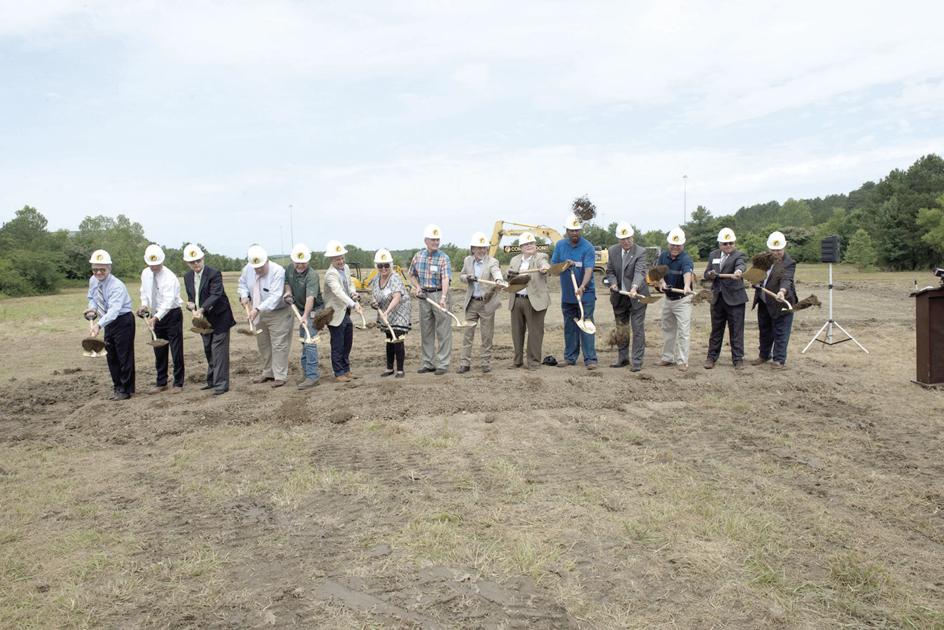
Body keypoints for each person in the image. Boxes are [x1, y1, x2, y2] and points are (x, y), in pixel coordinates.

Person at [182, 243, 236, 395]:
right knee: (208, 349)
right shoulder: (187, 277)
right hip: (203, 321)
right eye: (192, 262)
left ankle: (221, 384)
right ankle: (212, 380)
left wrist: (201, 309)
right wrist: (191, 306)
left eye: (198, 260)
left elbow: (215, 294)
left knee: (218, 350)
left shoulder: (214, 274)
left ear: (203, 258)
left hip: (220, 318)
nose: (196, 264)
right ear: (187, 263)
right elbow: (193, 297)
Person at [237, 245, 293, 388]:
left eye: (261, 267)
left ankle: (280, 376)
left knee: (279, 344)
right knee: (263, 344)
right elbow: (242, 284)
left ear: (267, 260)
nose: (258, 270)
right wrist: (244, 296)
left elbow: (275, 297)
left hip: (278, 312)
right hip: (259, 313)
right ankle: (268, 372)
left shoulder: (278, 271)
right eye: (255, 268)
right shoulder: (247, 269)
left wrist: (257, 309)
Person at [84, 249, 135, 400]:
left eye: (102, 269)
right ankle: (117, 387)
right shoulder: (93, 280)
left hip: (122, 320)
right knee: (111, 356)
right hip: (107, 321)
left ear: (109, 268)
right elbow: (92, 297)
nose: (98, 273)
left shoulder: (117, 286)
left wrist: (98, 325)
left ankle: (126, 390)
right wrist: (92, 308)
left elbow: (114, 310)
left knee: (124, 356)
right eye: (95, 269)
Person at [550, 216, 598, 369]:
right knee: (570, 328)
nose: (575, 233)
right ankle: (570, 358)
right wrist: (564, 265)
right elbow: (554, 269)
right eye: (572, 230)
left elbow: (589, 269)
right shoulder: (560, 246)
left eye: (577, 230)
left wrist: (583, 286)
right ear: (567, 231)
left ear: (580, 230)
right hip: (568, 295)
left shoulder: (588, 247)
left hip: (586, 294)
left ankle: (590, 359)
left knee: (586, 323)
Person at [138, 244, 185, 394]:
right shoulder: (145, 273)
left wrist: (156, 317)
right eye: (151, 264)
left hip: (171, 314)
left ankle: (178, 383)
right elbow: (144, 291)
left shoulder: (169, 277)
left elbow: (168, 301)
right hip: (155, 315)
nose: (154, 267)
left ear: (162, 261)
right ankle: (161, 381)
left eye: (156, 264)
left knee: (176, 349)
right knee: (159, 348)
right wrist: (145, 306)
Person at [604, 222, 649, 372]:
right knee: (621, 328)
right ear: (618, 239)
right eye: (623, 239)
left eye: (628, 238)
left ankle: (637, 361)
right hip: (620, 296)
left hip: (637, 296)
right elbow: (609, 271)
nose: (626, 241)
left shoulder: (640, 252)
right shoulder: (613, 251)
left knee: (637, 328)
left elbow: (640, 272)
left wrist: (634, 287)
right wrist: (613, 283)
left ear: (633, 236)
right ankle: (622, 358)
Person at [408, 224, 453, 375]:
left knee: (443, 331)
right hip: (424, 296)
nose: (436, 242)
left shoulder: (443, 258)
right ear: (426, 240)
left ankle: (443, 364)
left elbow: (446, 278)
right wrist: (417, 287)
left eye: (437, 240)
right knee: (426, 330)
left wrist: (444, 297)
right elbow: (411, 274)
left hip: (439, 294)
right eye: (433, 240)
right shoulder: (418, 256)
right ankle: (428, 363)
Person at [458, 232, 504, 373]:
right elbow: (461, 276)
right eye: (478, 248)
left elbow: (496, 272)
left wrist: (498, 280)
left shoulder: (492, 262)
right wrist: (468, 277)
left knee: (487, 335)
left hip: (486, 303)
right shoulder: (467, 261)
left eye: (484, 248)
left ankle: (485, 363)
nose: (481, 251)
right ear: (472, 249)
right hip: (471, 303)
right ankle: (465, 363)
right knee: (468, 334)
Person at [751, 231, 798, 369]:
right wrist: (754, 281)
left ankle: (779, 359)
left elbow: (787, 279)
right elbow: (755, 274)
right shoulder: (764, 259)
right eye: (773, 250)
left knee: (781, 331)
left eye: (779, 250)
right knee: (764, 330)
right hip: (764, 301)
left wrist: (782, 292)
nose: (776, 253)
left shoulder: (789, 263)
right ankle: (764, 355)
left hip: (781, 303)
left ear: (784, 247)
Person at [703, 228, 748, 370]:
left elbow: (741, 265)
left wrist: (739, 272)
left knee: (736, 330)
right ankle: (711, 357)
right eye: (725, 243)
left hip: (735, 299)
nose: (728, 245)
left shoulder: (739, 255)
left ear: (734, 243)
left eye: (731, 243)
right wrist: (710, 274)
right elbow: (706, 274)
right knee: (716, 329)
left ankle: (738, 359)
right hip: (717, 298)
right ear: (719, 244)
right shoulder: (713, 255)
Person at [506, 232, 550, 370]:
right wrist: (508, 276)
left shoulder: (540, 257)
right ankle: (517, 361)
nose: (529, 246)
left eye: (531, 243)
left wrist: (545, 268)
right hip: (517, 299)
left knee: (535, 332)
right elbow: (509, 278)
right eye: (526, 244)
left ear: (535, 245)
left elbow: (544, 266)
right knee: (517, 332)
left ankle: (534, 362)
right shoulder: (514, 260)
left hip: (535, 301)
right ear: (520, 247)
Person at [283, 243, 322, 390]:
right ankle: (306, 373)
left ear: (308, 261)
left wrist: (305, 316)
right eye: (297, 263)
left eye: (303, 262)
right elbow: (287, 283)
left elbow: (310, 299)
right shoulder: (289, 269)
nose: (300, 265)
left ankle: (312, 376)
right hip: (299, 309)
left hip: (313, 310)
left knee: (310, 340)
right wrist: (288, 293)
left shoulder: (312, 275)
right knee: (304, 341)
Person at [323, 240, 363, 383]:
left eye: (341, 258)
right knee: (338, 343)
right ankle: (339, 372)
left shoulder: (345, 268)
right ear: (331, 260)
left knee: (347, 340)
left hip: (344, 311)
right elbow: (338, 292)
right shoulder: (330, 275)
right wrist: (353, 304)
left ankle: (346, 369)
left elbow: (350, 284)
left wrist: (353, 294)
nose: (340, 261)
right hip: (334, 313)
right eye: (337, 259)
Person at [657, 227, 695, 371]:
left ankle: (682, 361)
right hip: (668, 299)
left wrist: (686, 285)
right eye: (673, 244)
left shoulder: (685, 258)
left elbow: (687, 272)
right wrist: (662, 283)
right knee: (667, 329)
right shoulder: (663, 256)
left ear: (683, 245)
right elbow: (659, 272)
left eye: (678, 245)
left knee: (683, 331)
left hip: (682, 300)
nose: (675, 247)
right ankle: (667, 358)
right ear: (668, 244)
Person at [369, 248, 411, 378]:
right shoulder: (376, 278)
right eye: (380, 266)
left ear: (390, 265)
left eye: (386, 265)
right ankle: (389, 368)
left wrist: (386, 312)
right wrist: (374, 303)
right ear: (377, 266)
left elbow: (397, 297)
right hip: (386, 312)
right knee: (388, 339)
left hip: (398, 311)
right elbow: (374, 294)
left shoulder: (395, 277)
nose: (383, 268)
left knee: (397, 337)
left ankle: (400, 370)